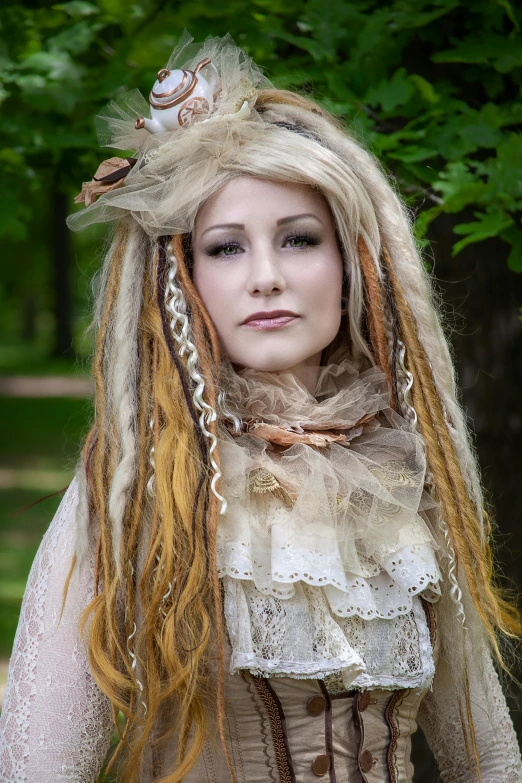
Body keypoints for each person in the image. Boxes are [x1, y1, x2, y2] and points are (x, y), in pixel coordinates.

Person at [0, 32, 520, 783]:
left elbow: (488, 757)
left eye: (300, 239)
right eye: (226, 248)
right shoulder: (132, 485)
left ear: (353, 265)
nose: (267, 277)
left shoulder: (405, 470)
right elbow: (39, 765)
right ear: (180, 279)